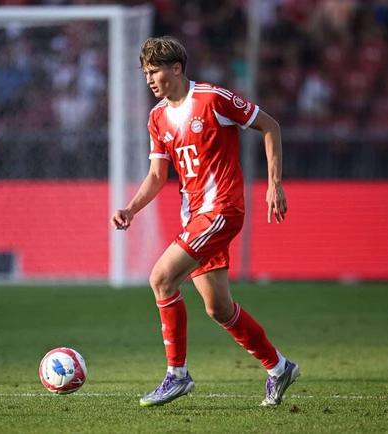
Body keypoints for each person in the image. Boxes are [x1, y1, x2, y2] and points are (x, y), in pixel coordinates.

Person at [112, 36, 298, 407]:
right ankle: (279, 368)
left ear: (176, 68)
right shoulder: (157, 117)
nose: (149, 79)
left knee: (161, 278)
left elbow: (270, 126)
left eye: (154, 71)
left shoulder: (213, 99)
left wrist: (274, 183)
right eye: (145, 73)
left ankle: (177, 375)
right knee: (218, 308)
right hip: (194, 216)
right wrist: (131, 208)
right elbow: (157, 176)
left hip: (222, 209)